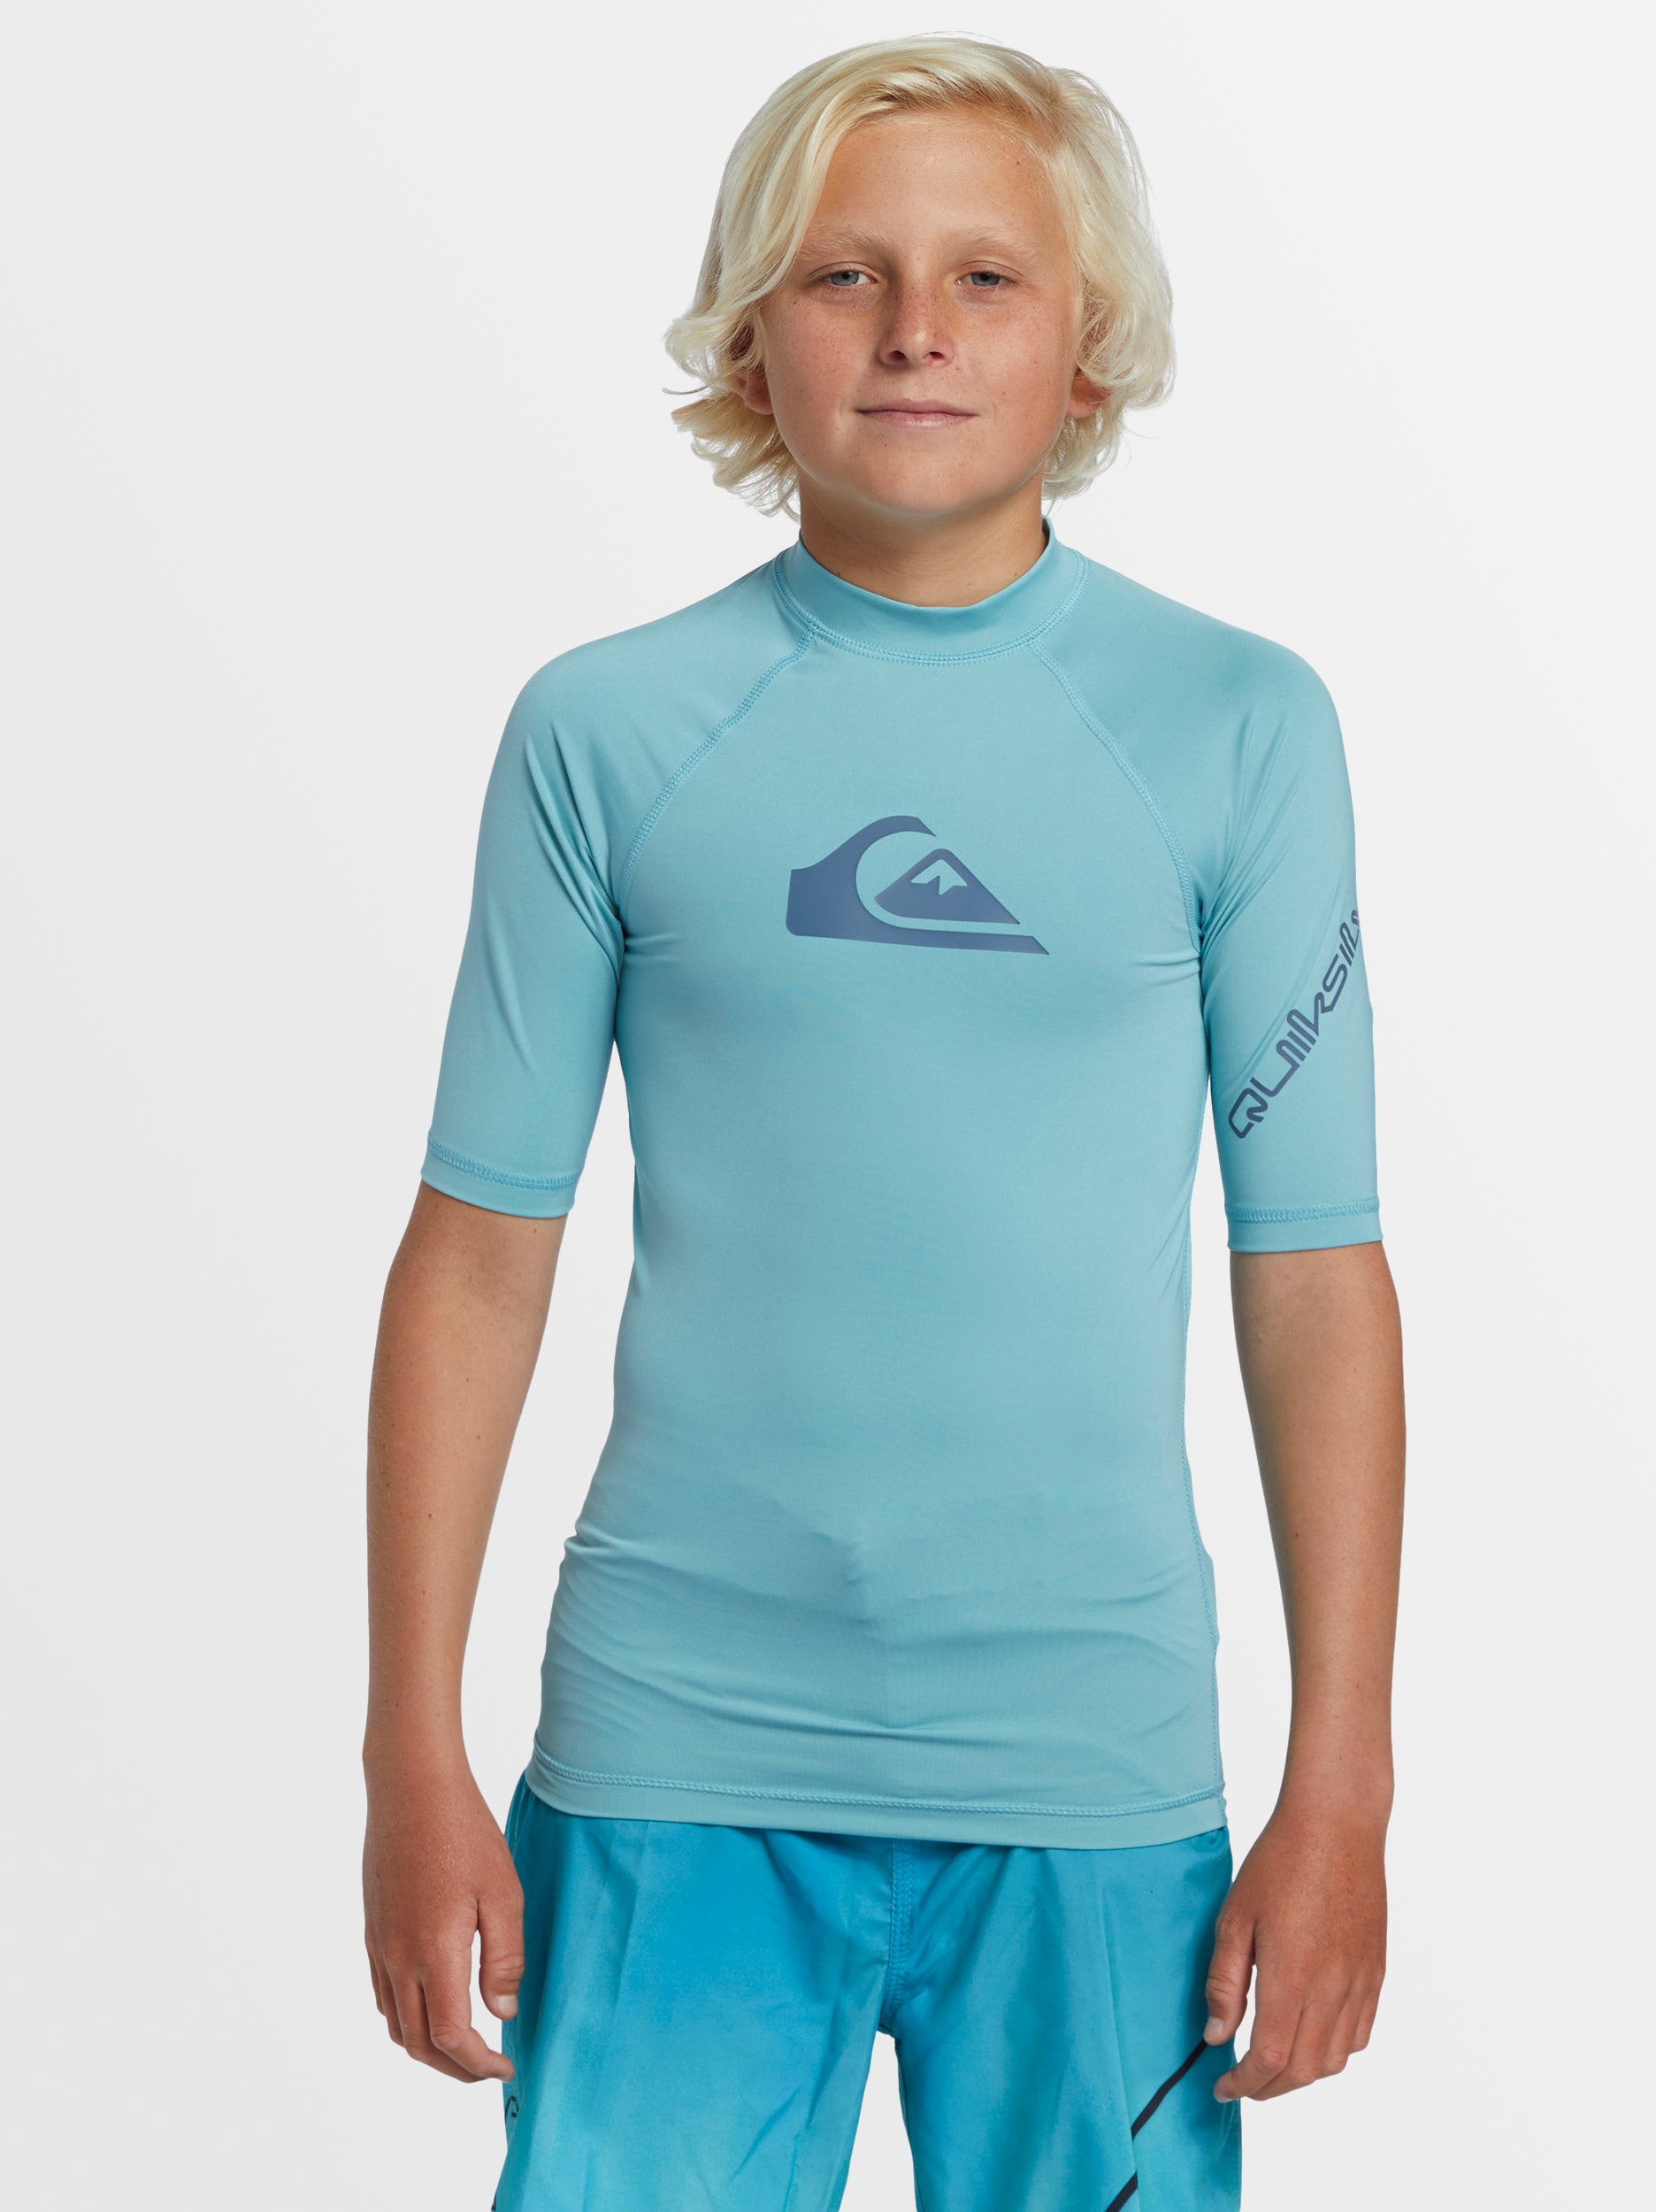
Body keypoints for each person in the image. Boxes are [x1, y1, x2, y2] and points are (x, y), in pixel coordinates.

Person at [361, 35, 1404, 2212]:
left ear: (1087, 341)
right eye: (846, 274)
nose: (917, 327)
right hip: (668, 1759)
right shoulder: (607, 731)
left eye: (985, 278)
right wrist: (407, 1747)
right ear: (753, 336)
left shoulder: (1234, 727)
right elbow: (475, 1256)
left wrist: (1342, 1784)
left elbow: (1314, 1274)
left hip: (1095, 1776)